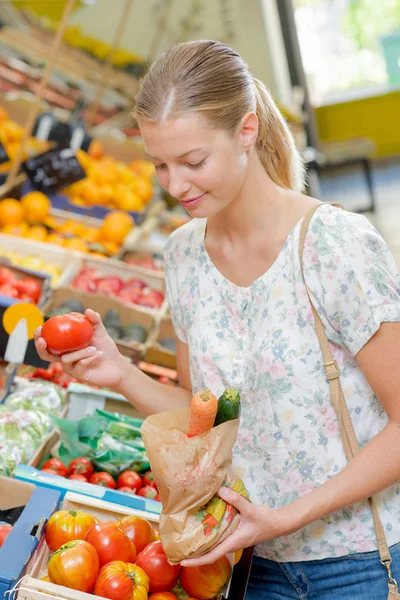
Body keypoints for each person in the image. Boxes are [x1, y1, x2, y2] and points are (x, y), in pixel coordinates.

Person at [35, 40, 400, 599]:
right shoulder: (184, 256)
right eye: (160, 164)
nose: (175, 185)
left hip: (363, 564)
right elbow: (205, 419)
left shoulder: (333, 244)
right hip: (250, 566)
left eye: (193, 161)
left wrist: (285, 517)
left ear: (247, 131)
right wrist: (120, 374)